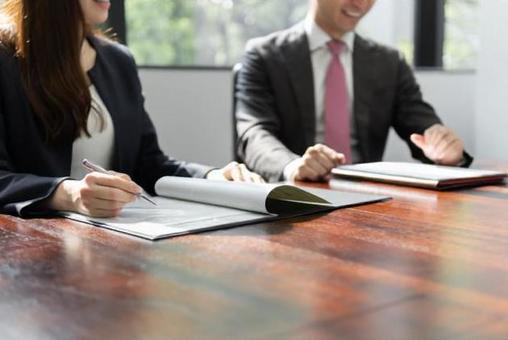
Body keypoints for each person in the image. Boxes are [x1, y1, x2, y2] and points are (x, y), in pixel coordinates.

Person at [0, 0, 263, 218]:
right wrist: (66, 194)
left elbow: (149, 164)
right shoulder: (5, 58)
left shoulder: (118, 60)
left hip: (111, 243)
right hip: (33, 251)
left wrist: (211, 176)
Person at [235, 0, 472, 182]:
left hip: (366, 201)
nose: (361, 3)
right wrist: (292, 166)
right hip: (292, 201)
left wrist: (443, 148)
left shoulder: (389, 63)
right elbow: (254, 134)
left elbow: (422, 125)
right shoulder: (264, 56)